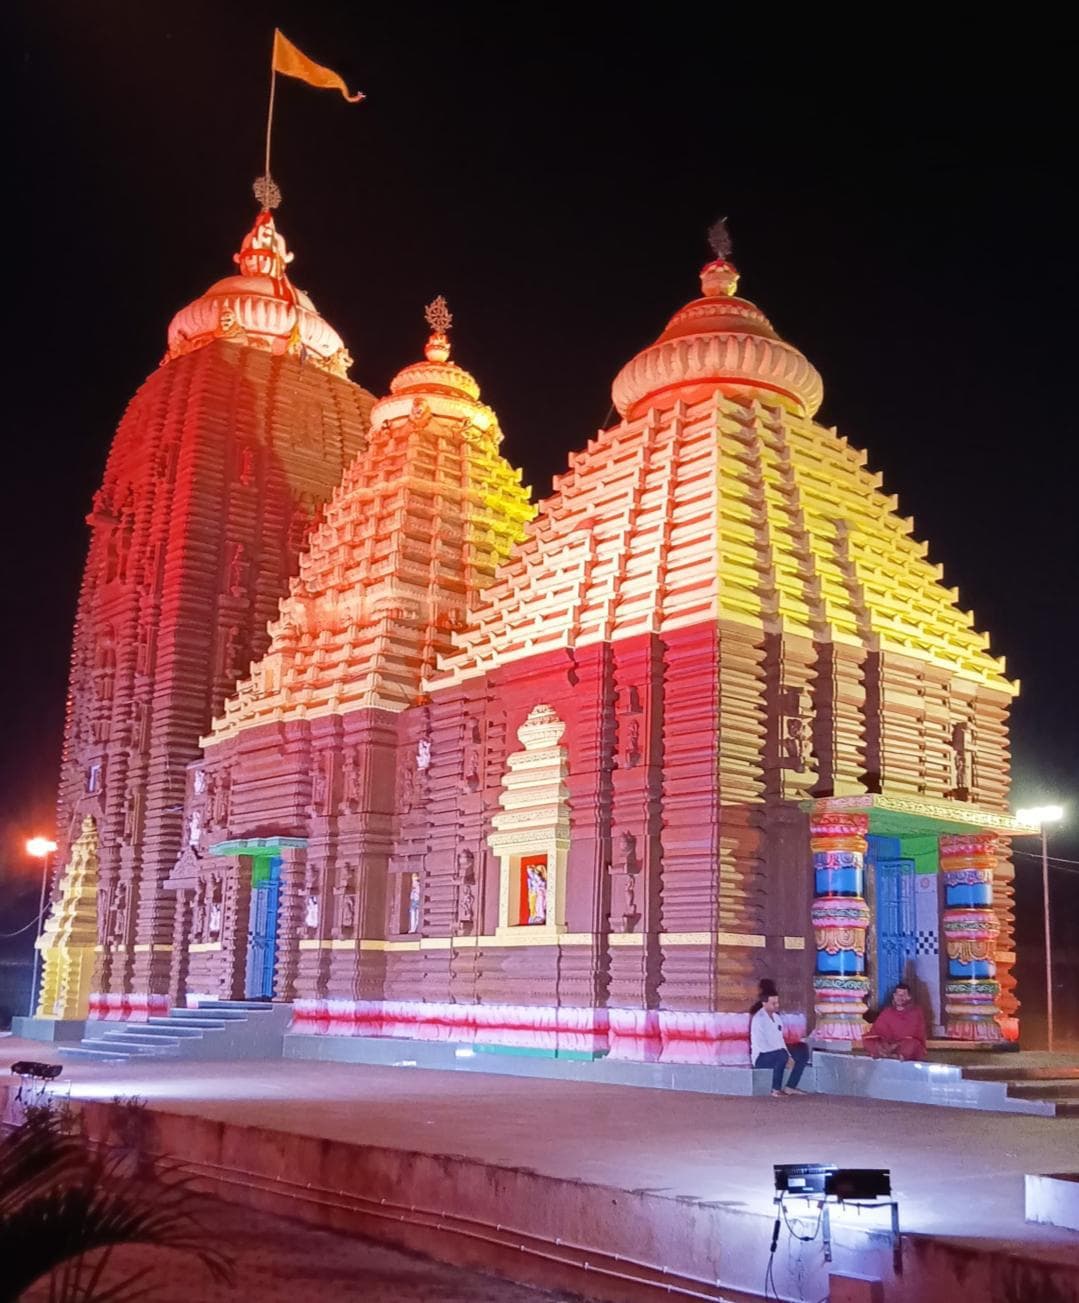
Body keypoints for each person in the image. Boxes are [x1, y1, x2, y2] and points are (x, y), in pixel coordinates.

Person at [750, 990, 810, 1097]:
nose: (777, 1005)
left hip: (779, 1053)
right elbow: (762, 1045)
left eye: (777, 1002)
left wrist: (789, 1056)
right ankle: (775, 1089)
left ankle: (790, 1086)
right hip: (762, 1057)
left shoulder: (776, 1018)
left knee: (802, 1049)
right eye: (773, 1003)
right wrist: (785, 1056)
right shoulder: (759, 1019)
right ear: (764, 1003)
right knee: (781, 1054)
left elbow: (780, 1040)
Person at [862, 982, 927, 1061]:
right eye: (897, 995)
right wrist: (885, 1045)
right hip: (887, 1045)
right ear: (894, 996)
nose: (899, 997)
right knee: (868, 1041)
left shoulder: (916, 1012)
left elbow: (911, 1034)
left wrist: (895, 1045)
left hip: (902, 1045)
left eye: (903, 995)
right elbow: (878, 1031)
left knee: (912, 1045)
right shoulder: (887, 1012)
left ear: (909, 997)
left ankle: (895, 1056)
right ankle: (885, 1054)